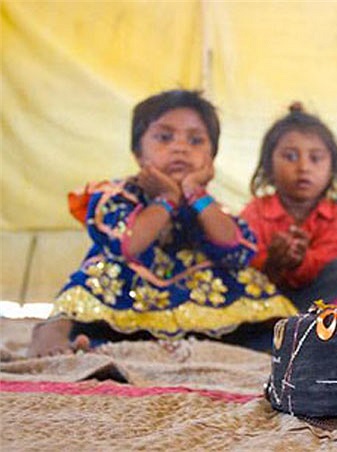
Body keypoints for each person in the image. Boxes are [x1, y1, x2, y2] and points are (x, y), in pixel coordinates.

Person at [28, 89, 296, 357]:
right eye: (164, 137)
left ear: (211, 158)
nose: (180, 147)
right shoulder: (117, 195)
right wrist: (166, 199)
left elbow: (237, 249)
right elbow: (128, 245)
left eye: (196, 140)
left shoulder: (205, 204)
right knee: (91, 281)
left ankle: (283, 344)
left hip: (193, 293)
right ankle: (52, 333)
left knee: (249, 284)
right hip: (129, 290)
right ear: (138, 153)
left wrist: (195, 194)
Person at [240, 103, 337, 312]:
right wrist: (273, 263)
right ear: (269, 167)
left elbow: (330, 263)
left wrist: (301, 261)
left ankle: (292, 331)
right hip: (267, 302)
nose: (303, 167)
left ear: (332, 170)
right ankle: (282, 332)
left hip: (313, 301)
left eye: (315, 158)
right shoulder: (255, 211)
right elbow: (246, 267)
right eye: (290, 156)